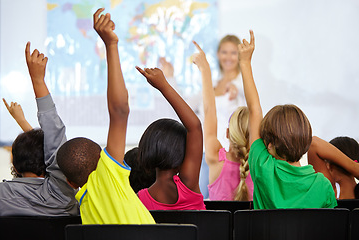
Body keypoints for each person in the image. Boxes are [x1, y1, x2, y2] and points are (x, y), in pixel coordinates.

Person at [56, 8, 155, 224]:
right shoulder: (108, 177)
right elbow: (119, 110)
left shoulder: (84, 210)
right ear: (104, 159)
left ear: (71, 183)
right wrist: (111, 45)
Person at [241, 30, 337, 209]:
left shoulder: (263, 168)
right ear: (306, 141)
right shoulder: (323, 186)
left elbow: (254, 110)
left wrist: (244, 62)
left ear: (269, 146)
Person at [0, 42, 79, 216]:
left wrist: (22, 122)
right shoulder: (62, 197)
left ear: (15, 164)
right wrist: (38, 81)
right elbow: (54, 141)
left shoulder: (2, 196)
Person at [135, 60, 205, 210]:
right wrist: (164, 86)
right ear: (182, 152)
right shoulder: (188, 185)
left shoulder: (140, 200)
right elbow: (195, 127)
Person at [192, 41, 253, 201]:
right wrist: (246, 62)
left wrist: (205, 70)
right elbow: (255, 109)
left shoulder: (215, 158)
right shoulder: (261, 166)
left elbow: (209, 112)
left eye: (233, 52)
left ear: (227, 132)